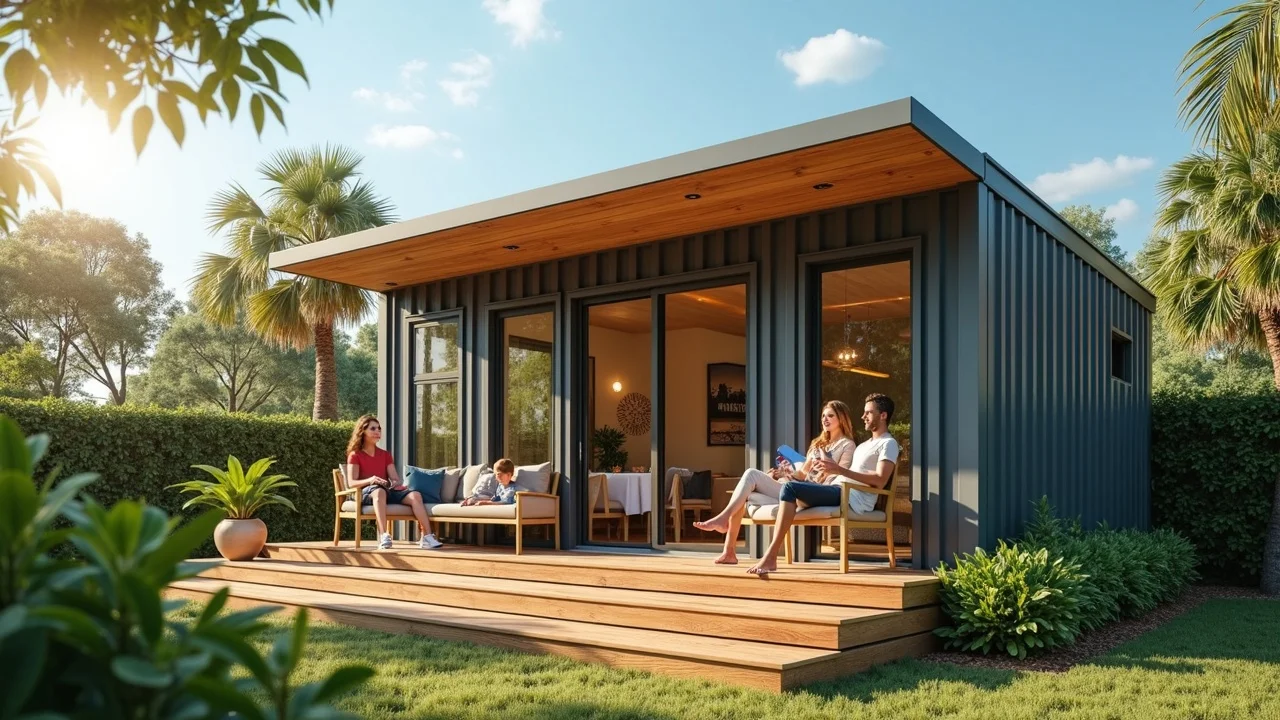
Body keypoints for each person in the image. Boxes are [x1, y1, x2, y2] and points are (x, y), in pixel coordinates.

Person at [746, 394, 899, 576]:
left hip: (850, 495)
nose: (863, 416)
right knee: (774, 490)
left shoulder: (888, 444)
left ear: (883, 415)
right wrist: (827, 468)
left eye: (868, 413)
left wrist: (839, 470)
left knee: (789, 489)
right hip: (837, 489)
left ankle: (771, 556)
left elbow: (881, 479)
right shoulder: (864, 445)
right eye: (864, 413)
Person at [693, 401, 858, 565]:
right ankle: (729, 551)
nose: (825, 419)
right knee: (748, 484)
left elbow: (840, 473)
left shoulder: (847, 445)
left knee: (751, 480)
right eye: (823, 416)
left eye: (830, 415)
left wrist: (824, 462)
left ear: (841, 419)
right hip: (798, 489)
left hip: (818, 493)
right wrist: (784, 473)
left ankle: (723, 520)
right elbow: (802, 474)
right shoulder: (817, 443)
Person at [344, 415, 443, 550]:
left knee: (415, 496)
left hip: (385, 490)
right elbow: (351, 483)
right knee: (379, 492)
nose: (377, 431)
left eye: (379, 428)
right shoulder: (355, 455)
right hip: (365, 492)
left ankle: (427, 536)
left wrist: (395, 484)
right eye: (373, 428)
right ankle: (384, 535)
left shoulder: (385, 455)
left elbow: (395, 478)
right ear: (362, 431)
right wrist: (371, 480)